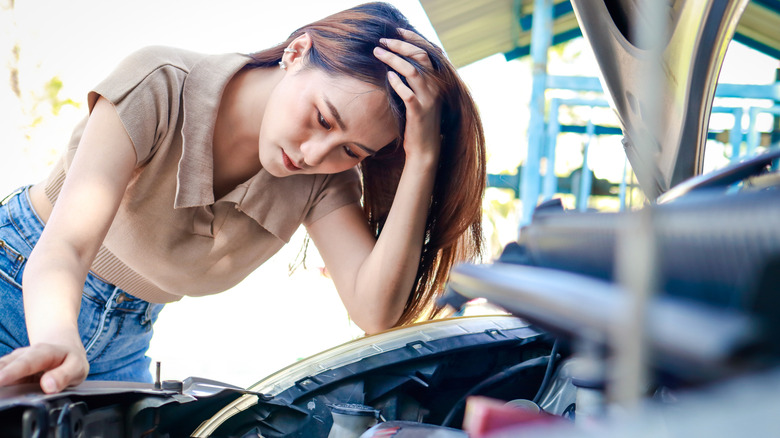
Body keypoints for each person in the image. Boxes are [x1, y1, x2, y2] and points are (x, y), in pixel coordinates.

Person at [0, 2, 485, 394]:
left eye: (351, 150)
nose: (314, 153)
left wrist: (422, 157)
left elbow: (374, 311)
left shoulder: (323, 181)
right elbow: (65, 246)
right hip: (18, 283)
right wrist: (55, 336)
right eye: (322, 118)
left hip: (125, 342)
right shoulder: (162, 83)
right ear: (296, 52)